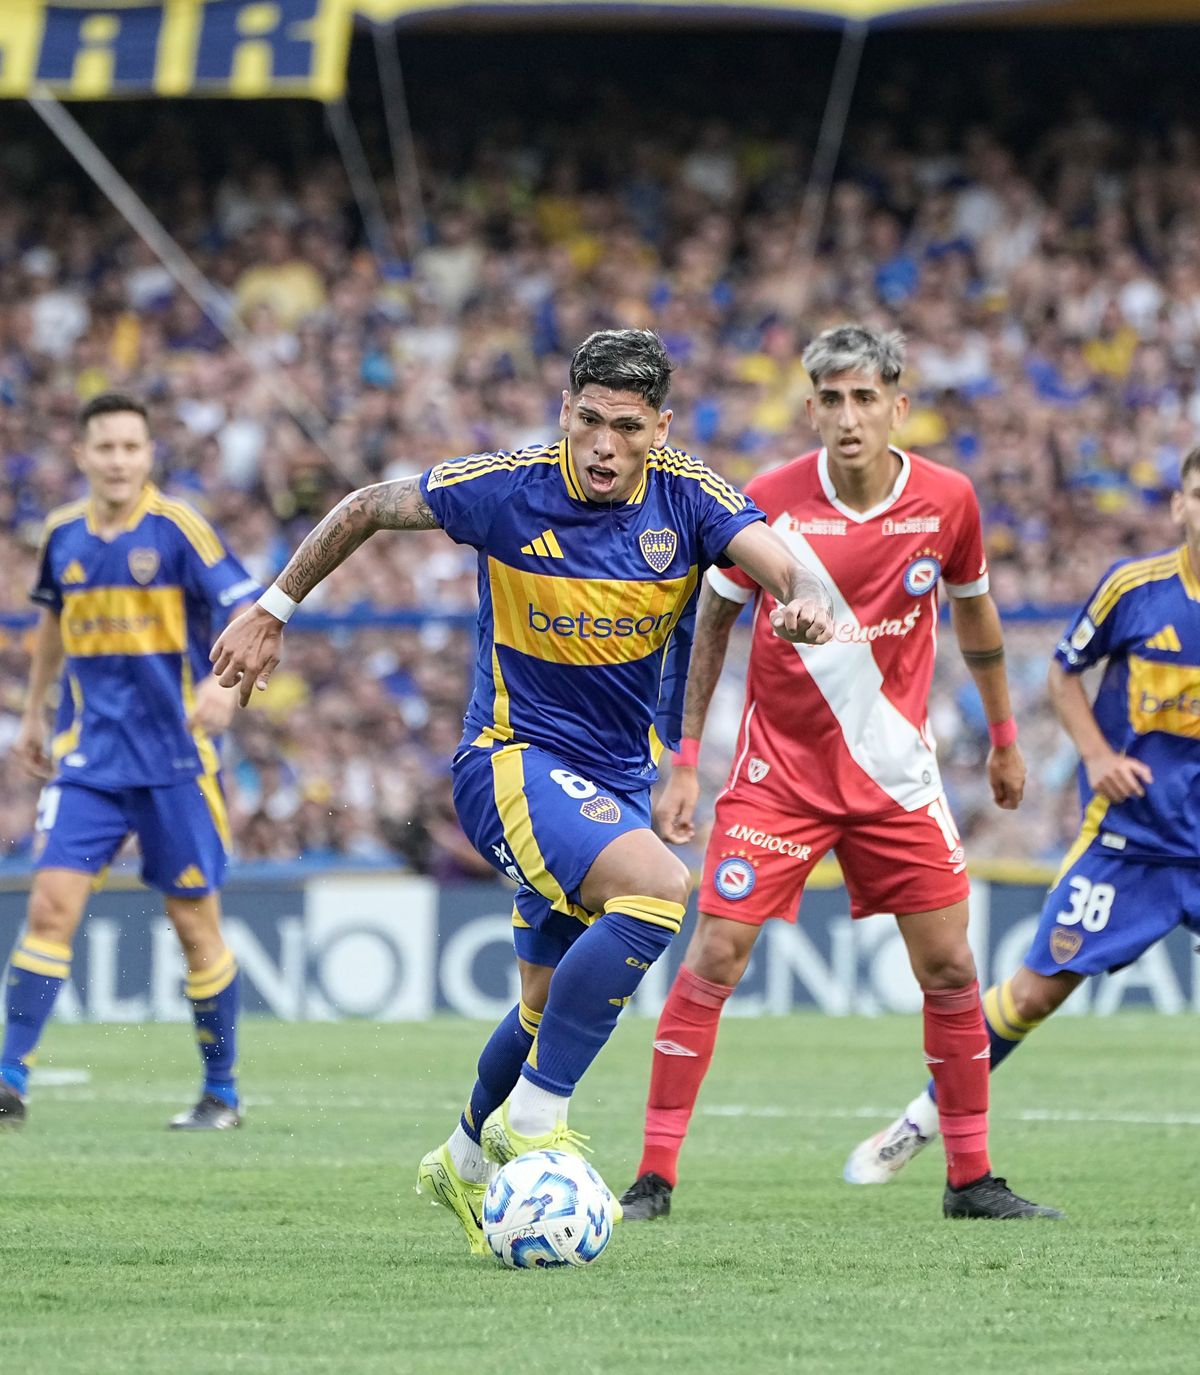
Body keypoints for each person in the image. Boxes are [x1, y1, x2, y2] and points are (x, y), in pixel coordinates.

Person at [210, 329, 834, 1254]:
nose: (604, 445)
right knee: (661, 891)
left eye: (627, 426)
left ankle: (462, 1159)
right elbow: (368, 506)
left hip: (614, 781)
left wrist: (804, 592)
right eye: (589, 421)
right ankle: (535, 1117)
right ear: (565, 414)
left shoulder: (689, 497)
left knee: (546, 1004)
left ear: (659, 429)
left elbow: (773, 553)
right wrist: (273, 607)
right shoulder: (507, 486)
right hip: (509, 760)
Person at [618, 324, 1062, 1223]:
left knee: (949, 967)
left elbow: (976, 620)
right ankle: (654, 1178)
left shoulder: (949, 500)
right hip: (779, 776)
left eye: (867, 398)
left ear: (899, 404)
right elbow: (709, 627)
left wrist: (1006, 735)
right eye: (832, 398)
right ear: (811, 407)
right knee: (714, 953)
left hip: (897, 780)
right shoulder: (767, 501)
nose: (849, 416)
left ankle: (970, 1178)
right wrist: (685, 759)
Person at [844, 446, 1200, 1186]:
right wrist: (1098, 755)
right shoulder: (1136, 589)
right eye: (1198, 494)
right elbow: (1064, 671)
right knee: (1036, 991)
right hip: (1130, 840)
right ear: (1178, 505)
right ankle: (920, 1118)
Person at [0, 393, 258, 1131]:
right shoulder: (62, 535)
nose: (117, 459)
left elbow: (249, 613)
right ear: (81, 454)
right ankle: (8, 1078)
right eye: (104, 447)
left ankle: (222, 1093)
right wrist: (33, 711)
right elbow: (52, 622)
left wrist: (220, 685)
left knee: (194, 927)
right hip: (89, 760)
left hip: (177, 761)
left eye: (130, 447)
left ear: (149, 455)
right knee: (49, 906)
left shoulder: (179, 528)